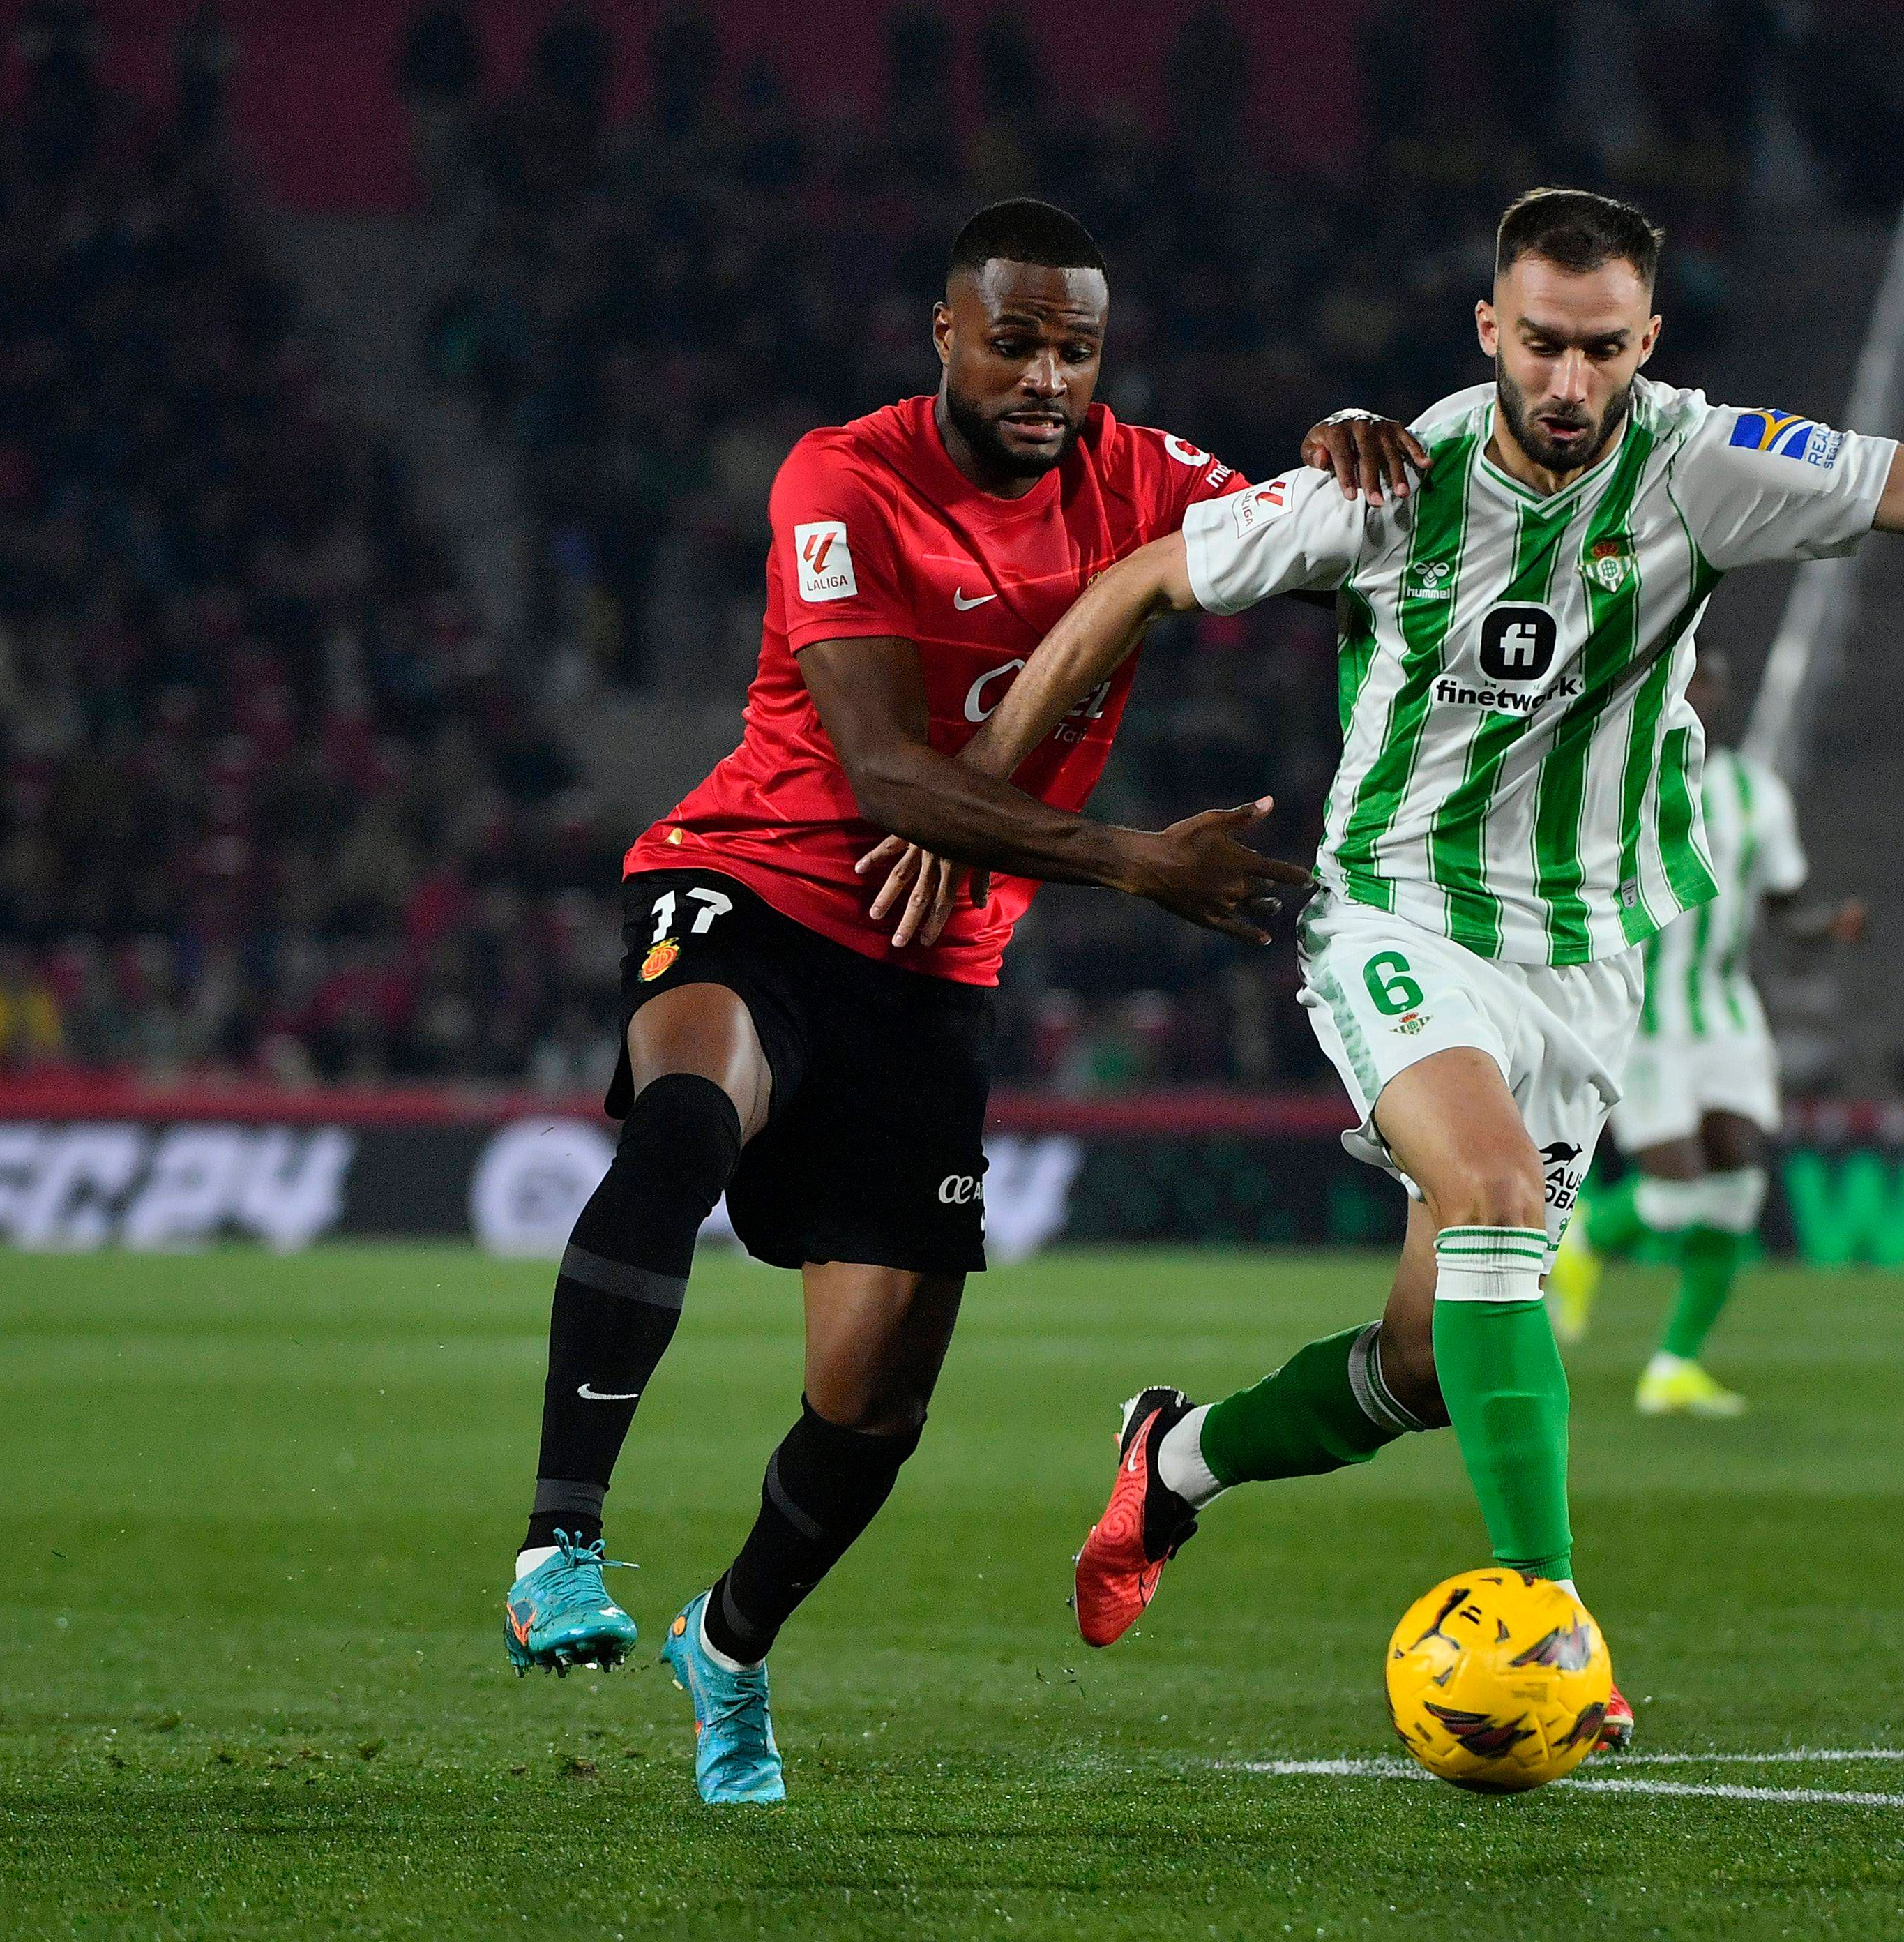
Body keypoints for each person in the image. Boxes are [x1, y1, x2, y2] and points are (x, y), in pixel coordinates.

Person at [894, 186, 1904, 1752]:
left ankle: (1175, 1459)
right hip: (1399, 915)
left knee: (1425, 1366)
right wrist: (981, 802)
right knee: (1494, 1201)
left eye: (1604, 349)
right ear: (1488, 328)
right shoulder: (1389, 484)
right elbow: (1141, 579)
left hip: (1587, 959)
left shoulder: (1705, 464)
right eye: (1541, 343)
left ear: (1650, 342)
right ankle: (1552, 1621)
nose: (1569, 382)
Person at [498, 197, 1419, 1807]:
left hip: (933, 971)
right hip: (757, 880)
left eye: (1077, 349)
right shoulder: (841, 479)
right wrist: (1133, 859)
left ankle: (728, 1643)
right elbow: (881, 772)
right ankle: (557, 1545)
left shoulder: (1142, 478)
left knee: (874, 1407)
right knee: (688, 1115)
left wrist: (1362, 449)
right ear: (946, 333)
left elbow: (1336, 538)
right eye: (1015, 342)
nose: (1048, 376)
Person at [1549, 659, 1865, 1416]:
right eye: (1690, 675)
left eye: (1713, 679)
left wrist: (1827, 926)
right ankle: (1586, 1237)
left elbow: (1784, 906)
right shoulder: (1613, 771)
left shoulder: (1759, 795)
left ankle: (1673, 1367)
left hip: (1727, 1015)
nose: (1702, 690)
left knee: (1739, 1186)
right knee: (1676, 1191)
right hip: (1645, 1018)